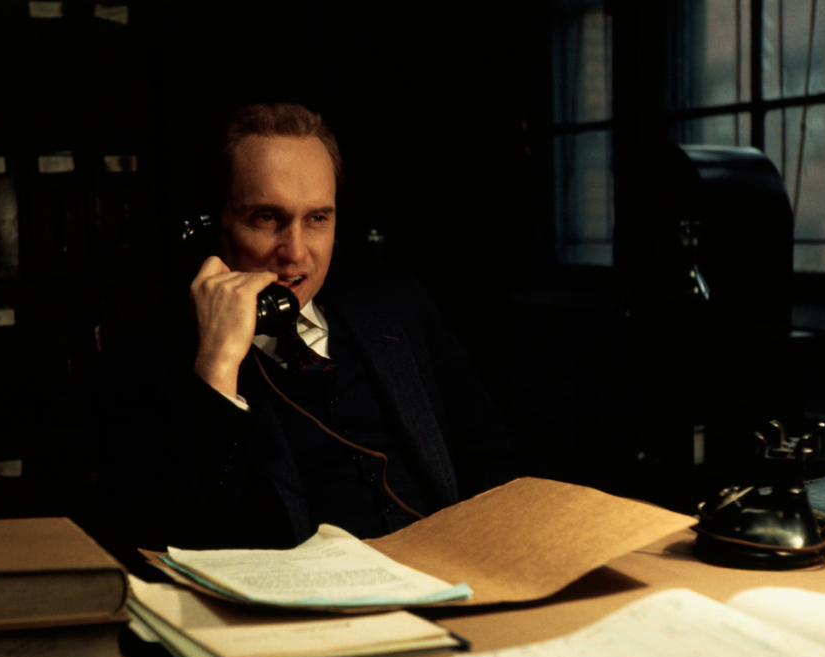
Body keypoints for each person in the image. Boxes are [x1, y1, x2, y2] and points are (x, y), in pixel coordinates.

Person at [102, 103, 523, 556]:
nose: (296, 253)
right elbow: (174, 543)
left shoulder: (400, 308)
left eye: (317, 219)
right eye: (267, 218)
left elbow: (490, 452)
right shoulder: (154, 364)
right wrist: (218, 369)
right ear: (212, 229)